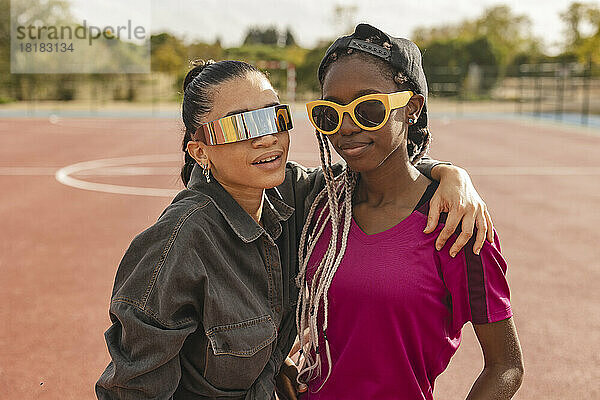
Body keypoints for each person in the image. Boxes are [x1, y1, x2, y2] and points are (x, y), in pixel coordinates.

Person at [95, 58, 496, 399]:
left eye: (273, 117)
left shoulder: (295, 198)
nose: (266, 137)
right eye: (240, 127)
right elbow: (132, 390)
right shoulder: (177, 244)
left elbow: (381, 172)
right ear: (199, 152)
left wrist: (451, 175)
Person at [294, 24, 524, 399]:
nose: (347, 127)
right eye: (328, 113)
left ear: (411, 108)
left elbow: (505, 366)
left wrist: (451, 175)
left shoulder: (457, 224)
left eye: (369, 109)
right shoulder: (320, 207)